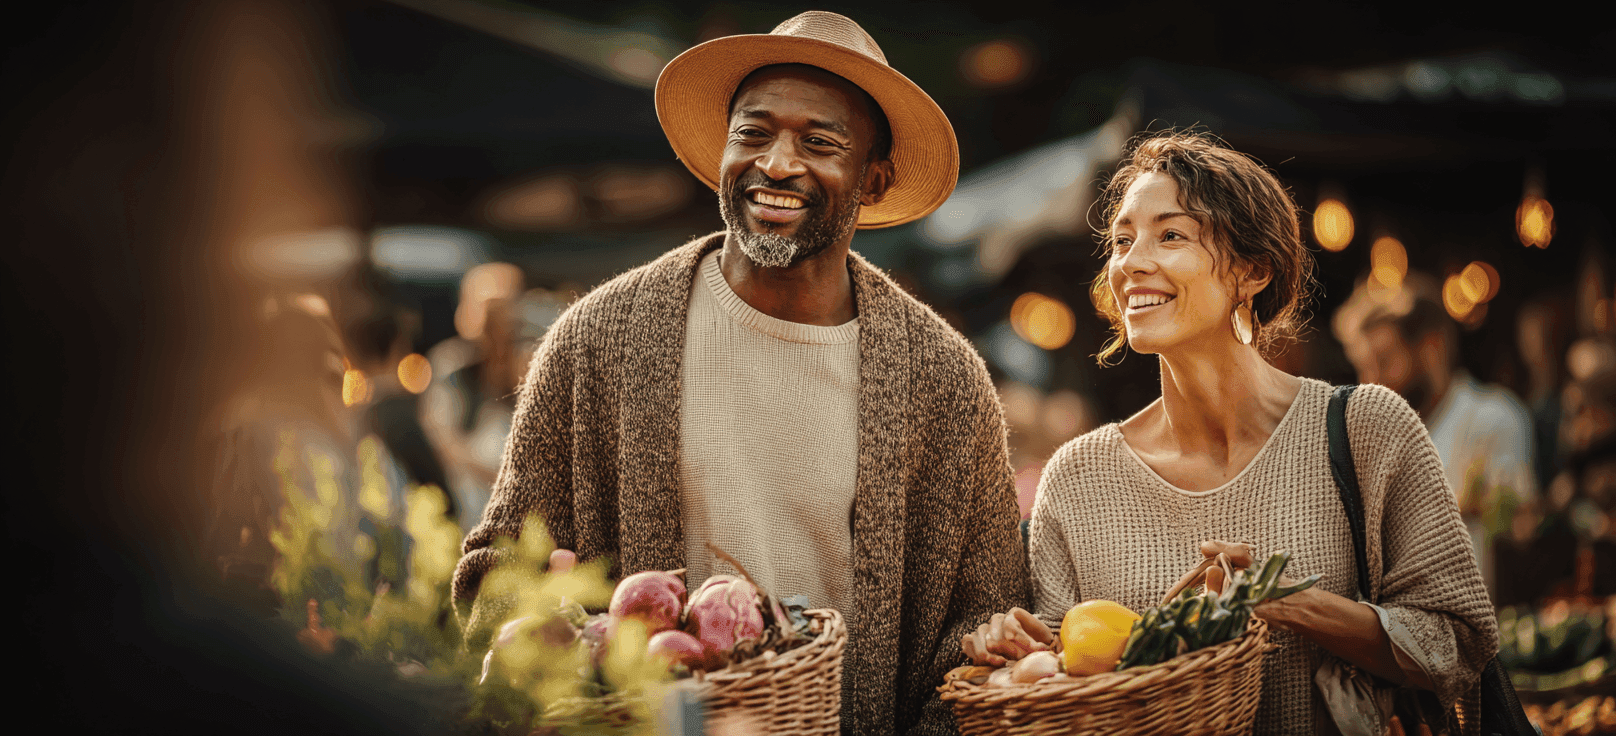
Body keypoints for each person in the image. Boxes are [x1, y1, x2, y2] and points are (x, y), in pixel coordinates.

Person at [451, 11, 1028, 735]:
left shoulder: (945, 384)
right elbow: (498, 572)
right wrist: (553, 636)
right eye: (753, 134)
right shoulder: (597, 342)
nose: (777, 163)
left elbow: (986, 621)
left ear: (873, 180)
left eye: (819, 142)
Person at [962, 132, 1497, 735]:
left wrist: (1302, 605)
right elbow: (1061, 682)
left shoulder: (1367, 428)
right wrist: (1012, 648)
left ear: (1253, 271)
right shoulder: (1078, 478)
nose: (1131, 261)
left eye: (1171, 235)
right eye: (1121, 240)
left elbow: (1460, 640)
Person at [1333, 273, 1536, 591]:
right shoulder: (1372, 443)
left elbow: (1515, 535)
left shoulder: (1492, 418)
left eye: (1383, 362)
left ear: (1432, 346)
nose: (1370, 383)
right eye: (1363, 368)